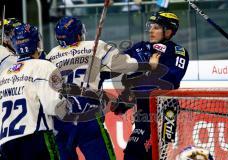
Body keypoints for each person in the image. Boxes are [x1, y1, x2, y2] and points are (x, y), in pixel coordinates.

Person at [46, 16, 160, 160]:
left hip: (59, 119)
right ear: (79, 34)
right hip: (87, 115)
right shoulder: (95, 46)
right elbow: (127, 66)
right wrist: (149, 64)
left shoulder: (50, 56)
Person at [112, 11, 189, 160]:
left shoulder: (178, 52)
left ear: (168, 31)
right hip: (143, 112)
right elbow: (118, 65)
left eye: (156, 27)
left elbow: (171, 81)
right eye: (150, 26)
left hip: (165, 114)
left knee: (145, 153)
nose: (150, 30)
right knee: (136, 153)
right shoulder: (141, 47)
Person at [0, 23, 67, 160]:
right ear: (37, 42)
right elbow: (54, 106)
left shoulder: (4, 74)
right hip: (35, 139)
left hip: (6, 143)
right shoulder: (44, 66)